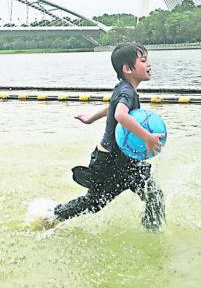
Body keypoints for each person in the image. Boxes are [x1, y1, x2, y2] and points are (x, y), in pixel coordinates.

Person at [50, 42, 166, 231]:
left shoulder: (124, 88)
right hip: (111, 160)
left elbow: (112, 107)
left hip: (124, 159)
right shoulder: (127, 91)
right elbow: (120, 114)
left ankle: (153, 230)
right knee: (95, 202)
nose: (149, 64)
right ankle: (52, 215)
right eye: (143, 61)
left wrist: (90, 119)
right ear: (127, 69)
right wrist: (147, 137)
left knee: (153, 194)